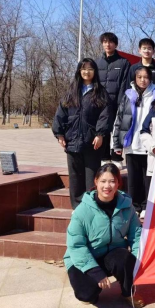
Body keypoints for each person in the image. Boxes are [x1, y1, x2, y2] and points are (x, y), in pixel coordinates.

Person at [64, 163, 144, 308]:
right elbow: (76, 245)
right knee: (86, 295)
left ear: (118, 183)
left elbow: (136, 235)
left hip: (112, 253)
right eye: (103, 181)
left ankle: (128, 292)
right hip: (86, 255)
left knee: (125, 259)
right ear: (96, 182)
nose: (107, 186)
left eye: (112, 181)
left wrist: (137, 262)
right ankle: (92, 286)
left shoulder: (127, 206)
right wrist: (95, 271)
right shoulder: (82, 211)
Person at [53, 58, 109, 209]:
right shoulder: (72, 91)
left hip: (92, 141)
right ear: (79, 71)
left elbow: (105, 116)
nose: (87, 72)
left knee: (91, 176)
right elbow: (61, 113)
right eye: (84, 69)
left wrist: (100, 134)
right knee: (75, 176)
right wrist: (59, 134)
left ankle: (91, 206)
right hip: (72, 140)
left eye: (90, 69)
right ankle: (77, 208)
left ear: (95, 72)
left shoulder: (100, 92)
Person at [112, 66, 155, 216]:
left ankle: (146, 206)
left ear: (150, 79)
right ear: (135, 78)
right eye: (139, 77)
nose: (143, 80)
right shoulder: (128, 95)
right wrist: (117, 144)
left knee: (147, 177)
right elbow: (119, 119)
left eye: (146, 77)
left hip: (149, 144)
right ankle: (134, 205)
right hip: (132, 143)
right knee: (133, 178)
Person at [96, 32, 131, 167]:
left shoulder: (123, 62)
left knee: (118, 129)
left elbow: (125, 83)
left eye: (110, 42)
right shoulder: (97, 62)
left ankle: (116, 157)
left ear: (115, 44)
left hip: (117, 102)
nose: (107, 44)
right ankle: (104, 157)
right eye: (105, 42)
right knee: (103, 129)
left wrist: (121, 102)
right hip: (101, 102)